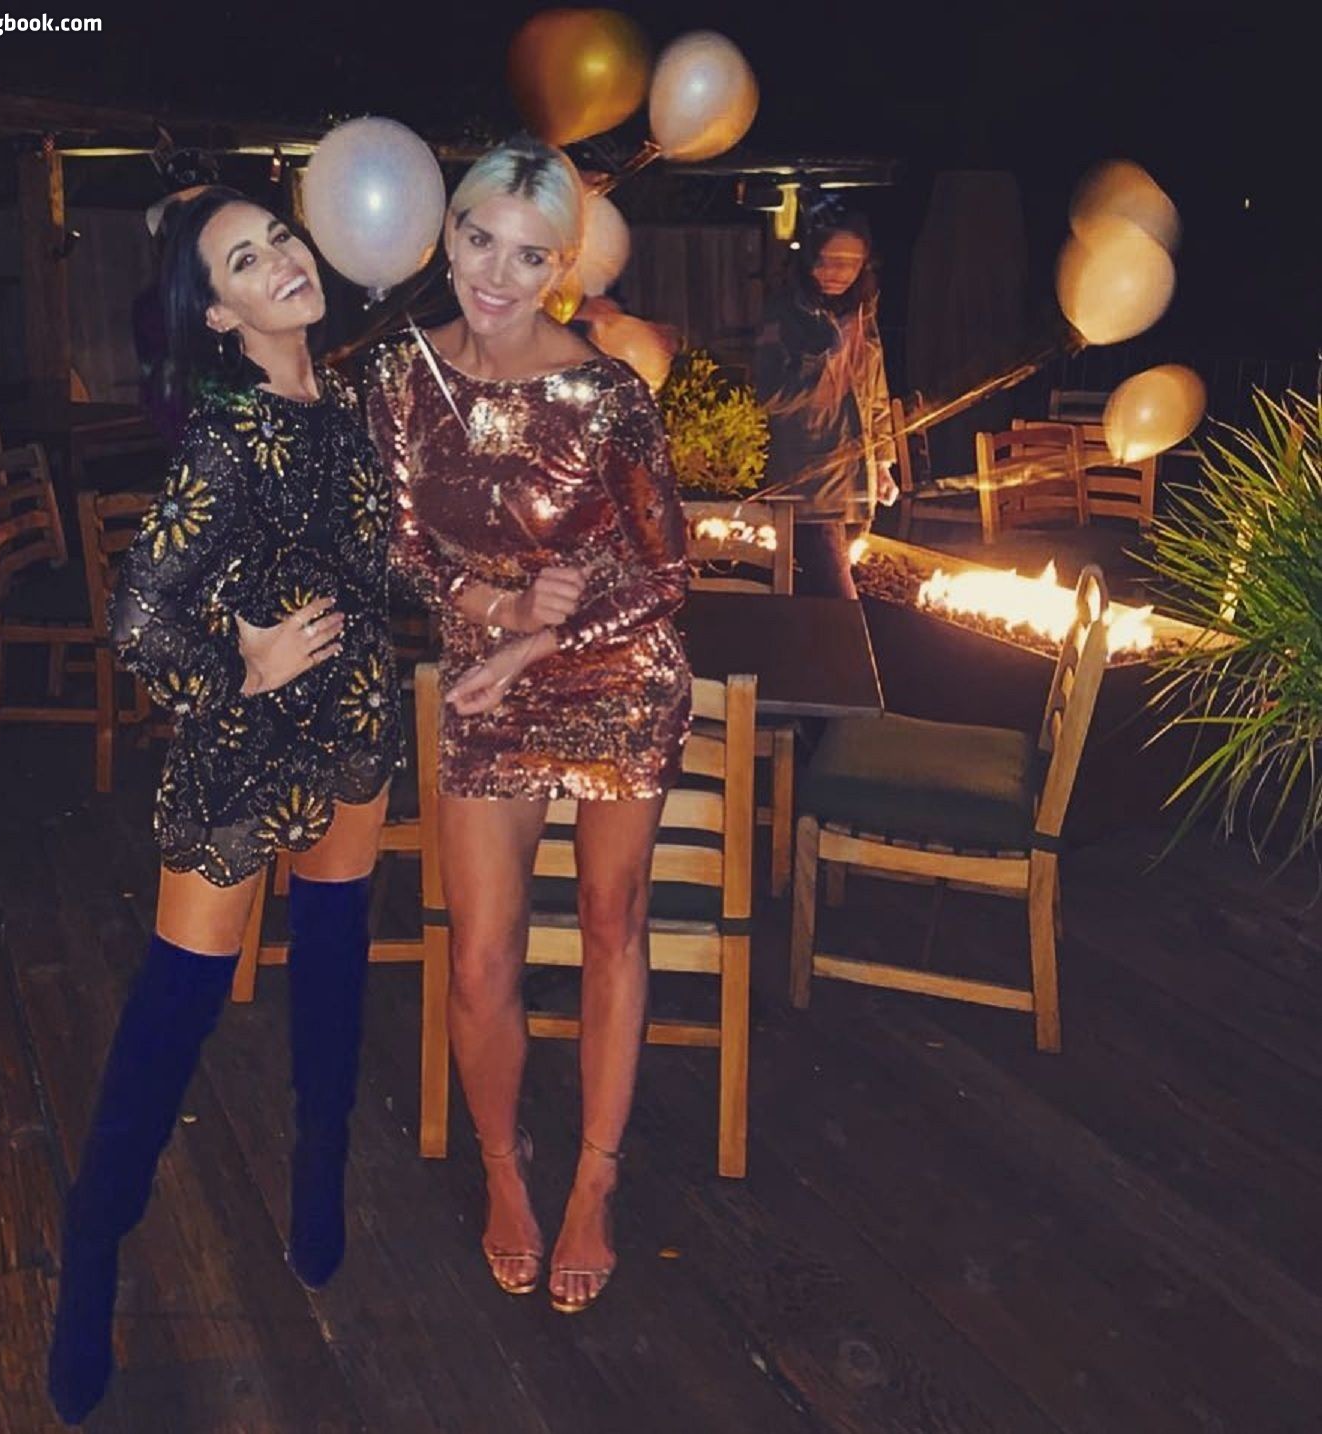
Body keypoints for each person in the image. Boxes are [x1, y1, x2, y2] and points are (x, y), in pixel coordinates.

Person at [47, 186, 402, 1423]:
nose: (283, 261)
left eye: (281, 237)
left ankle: (319, 1176)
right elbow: (136, 613)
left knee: (335, 967)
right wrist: (235, 669)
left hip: (354, 728)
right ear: (217, 314)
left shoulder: (346, 403)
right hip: (243, 755)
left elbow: (371, 561)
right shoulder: (229, 434)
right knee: (175, 1010)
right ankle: (93, 1250)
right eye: (245, 261)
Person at [365, 136, 691, 1316]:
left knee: (611, 925)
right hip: (486, 685)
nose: (495, 276)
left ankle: (595, 1182)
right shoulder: (401, 376)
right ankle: (505, 1172)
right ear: (446, 235)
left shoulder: (607, 394)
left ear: (564, 268)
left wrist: (535, 642)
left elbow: (665, 573)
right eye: (478, 240)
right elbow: (399, 540)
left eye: (529, 255)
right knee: (482, 954)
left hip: (612, 676)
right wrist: (495, 610)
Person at [754, 208, 897, 597]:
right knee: (839, 602)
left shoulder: (861, 312)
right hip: (810, 488)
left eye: (850, 262)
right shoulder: (785, 314)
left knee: (819, 602)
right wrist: (821, 356)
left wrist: (881, 463)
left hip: (856, 486)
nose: (838, 272)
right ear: (809, 258)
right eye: (828, 260)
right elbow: (770, 397)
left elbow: (875, 393)